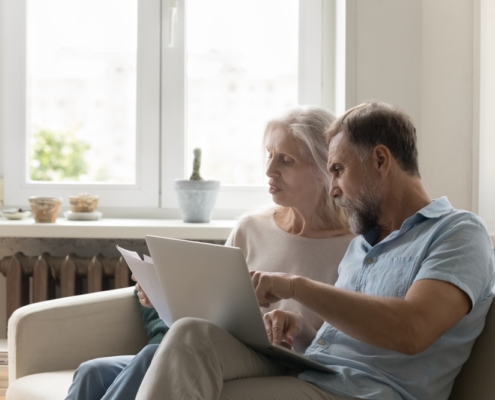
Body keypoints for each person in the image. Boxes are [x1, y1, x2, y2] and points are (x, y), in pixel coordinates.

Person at [133, 101, 495, 400]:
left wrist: (296, 286)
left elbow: (413, 329)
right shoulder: (362, 246)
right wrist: (301, 329)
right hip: (316, 376)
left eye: (337, 170)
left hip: (368, 393)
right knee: (192, 335)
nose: (333, 188)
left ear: (381, 161)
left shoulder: (458, 233)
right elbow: (336, 341)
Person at [65, 105, 354, 400]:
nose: (269, 170)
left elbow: (347, 346)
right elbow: (216, 305)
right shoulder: (252, 226)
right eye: (269, 155)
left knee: (152, 355)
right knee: (92, 371)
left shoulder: (352, 247)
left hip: (281, 360)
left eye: (286, 160)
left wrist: (295, 328)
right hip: (224, 345)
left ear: (324, 168)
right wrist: (164, 295)